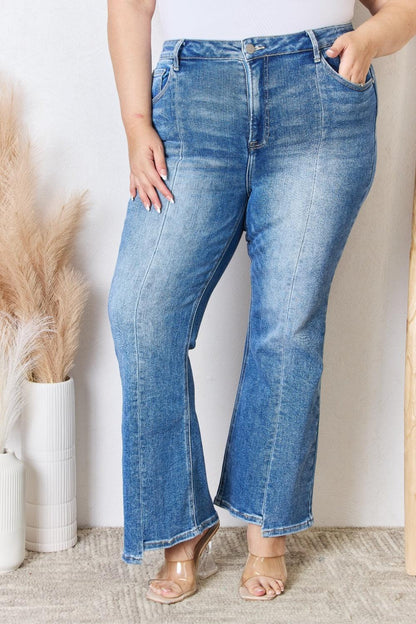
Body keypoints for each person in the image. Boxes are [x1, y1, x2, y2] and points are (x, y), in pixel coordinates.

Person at [107, 0, 416, 604]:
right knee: (141, 310)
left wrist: (369, 40)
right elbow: (131, 5)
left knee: (288, 323)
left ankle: (267, 530)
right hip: (192, 99)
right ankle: (179, 526)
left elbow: (401, 7)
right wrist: (135, 123)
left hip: (318, 93)